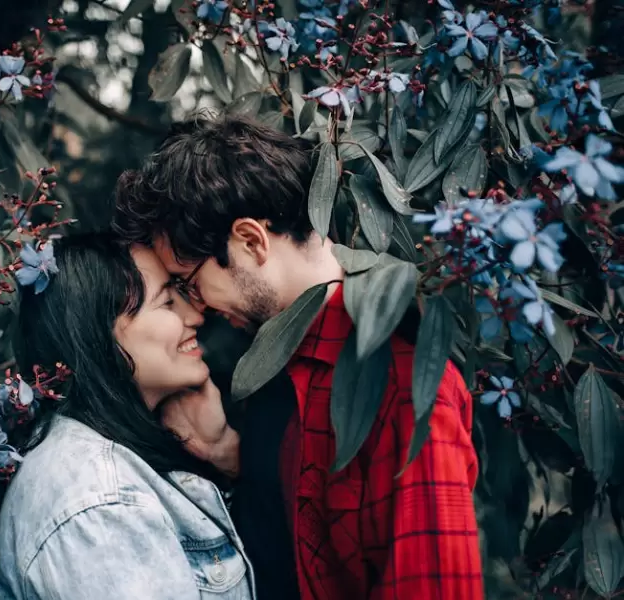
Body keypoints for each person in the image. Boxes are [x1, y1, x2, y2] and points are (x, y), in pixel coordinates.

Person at [113, 113, 484, 600]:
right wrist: (230, 457)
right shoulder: (276, 362)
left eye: (190, 282)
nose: (196, 308)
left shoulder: (401, 383)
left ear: (251, 241)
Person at [0, 232, 255, 600]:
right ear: (100, 334)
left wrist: (222, 452)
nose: (195, 316)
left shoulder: (114, 462)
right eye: (167, 302)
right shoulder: (100, 506)